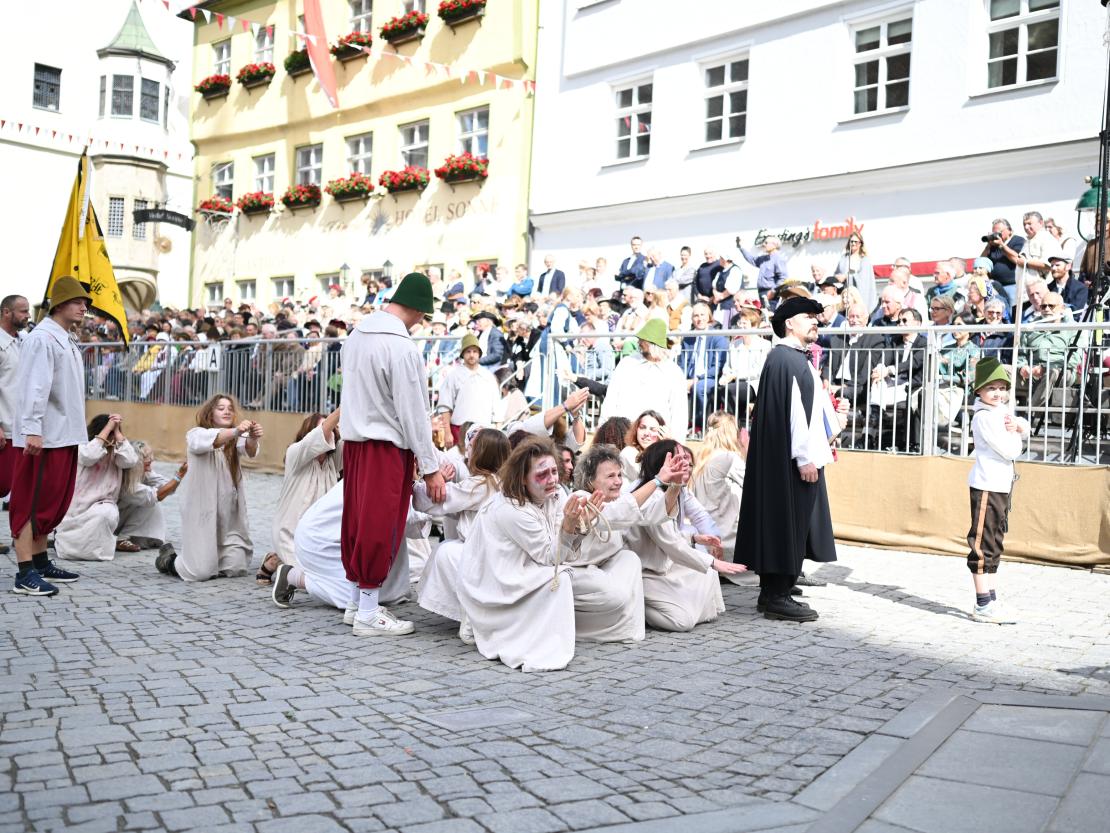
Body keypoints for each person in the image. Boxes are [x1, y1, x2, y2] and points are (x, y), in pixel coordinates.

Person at [339, 272, 445, 636]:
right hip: (385, 446)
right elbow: (414, 412)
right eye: (423, 315)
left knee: (355, 520)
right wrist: (430, 467)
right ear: (416, 309)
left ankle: (356, 601)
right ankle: (368, 611)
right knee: (378, 525)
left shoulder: (355, 337)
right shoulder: (400, 347)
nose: (421, 322)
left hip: (354, 442)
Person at [736, 296, 839, 622]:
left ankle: (773, 591)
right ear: (789, 323)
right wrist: (804, 458)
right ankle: (778, 595)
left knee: (788, 523)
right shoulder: (786, 361)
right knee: (786, 524)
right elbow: (795, 414)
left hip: (793, 459)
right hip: (795, 461)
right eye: (808, 316)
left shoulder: (791, 359)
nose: (815, 321)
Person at [455, 437, 593, 672]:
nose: (551, 480)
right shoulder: (511, 509)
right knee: (560, 580)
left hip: (524, 568)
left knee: (566, 576)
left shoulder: (553, 495)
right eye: (542, 474)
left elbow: (560, 548)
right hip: (499, 581)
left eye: (553, 471)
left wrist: (580, 524)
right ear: (522, 478)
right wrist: (570, 526)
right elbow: (551, 557)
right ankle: (504, 631)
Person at [9, 277, 89, 595]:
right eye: (77, 301)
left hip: (63, 433)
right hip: (44, 435)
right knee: (30, 503)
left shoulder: (65, 339)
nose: (84, 307)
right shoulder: (42, 338)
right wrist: (32, 429)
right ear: (59, 304)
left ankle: (41, 560)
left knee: (50, 502)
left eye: (85, 303)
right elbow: (34, 387)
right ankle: (24, 572)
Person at [624, 440, 746, 631]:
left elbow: (692, 520)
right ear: (662, 464)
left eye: (687, 461)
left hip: (666, 564)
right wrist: (713, 562)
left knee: (707, 578)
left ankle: (681, 601)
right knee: (683, 621)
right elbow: (670, 542)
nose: (686, 464)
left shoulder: (677, 489)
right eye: (680, 459)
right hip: (646, 571)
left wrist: (698, 539)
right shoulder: (648, 492)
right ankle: (639, 603)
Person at [415, 429, 511, 637]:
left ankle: (472, 615)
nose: (468, 450)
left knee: (446, 552)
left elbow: (436, 501)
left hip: (486, 558)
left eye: (473, 447)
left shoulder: (480, 484)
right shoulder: (505, 483)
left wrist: (417, 485)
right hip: (504, 556)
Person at [157, 394, 262, 581]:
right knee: (199, 572)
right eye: (221, 408)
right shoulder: (196, 434)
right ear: (210, 414)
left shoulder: (234, 438)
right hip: (201, 509)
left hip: (228, 511)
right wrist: (237, 431)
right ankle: (169, 560)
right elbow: (214, 439)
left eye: (230, 408)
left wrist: (252, 437)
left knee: (236, 567)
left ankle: (217, 560)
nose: (227, 411)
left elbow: (250, 450)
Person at [271, 481, 415, 615]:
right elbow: (405, 517)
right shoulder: (383, 472)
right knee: (355, 597)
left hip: (337, 533)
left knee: (382, 590)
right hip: (319, 537)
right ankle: (293, 577)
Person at [965, 358, 1029, 624]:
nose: (998, 393)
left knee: (995, 542)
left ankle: (991, 598)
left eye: (1002, 387)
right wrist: (1017, 434)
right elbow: (1011, 449)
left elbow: (1021, 424)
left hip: (1001, 486)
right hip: (987, 486)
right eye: (991, 388)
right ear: (978, 390)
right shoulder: (984, 418)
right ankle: (982, 604)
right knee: (982, 545)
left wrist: (1019, 428)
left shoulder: (999, 412)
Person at [261, 408, 343, 582]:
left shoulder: (332, 461)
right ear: (309, 432)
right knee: (312, 577)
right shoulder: (295, 453)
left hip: (320, 535)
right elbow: (318, 436)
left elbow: (352, 444)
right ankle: (279, 560)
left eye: (333, 429)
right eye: (325, 427)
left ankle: (275, 560)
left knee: (335, 573)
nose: (331, 431)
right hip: (290, 533)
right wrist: (344, 408)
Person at [53, 414, 140, 562]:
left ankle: (93, 551)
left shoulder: (117, 454)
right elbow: (89, 456)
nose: (111, 437)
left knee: (106, 513)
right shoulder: (82, 447)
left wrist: (118, 432)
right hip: (77, 509)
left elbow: (131, 460)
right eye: (109, 433)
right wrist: (108, 428)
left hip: (103, 505)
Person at [598, 319, 689, 441]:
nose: (639, 342)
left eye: (643, 339)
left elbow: (679, 412)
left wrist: (677, 442)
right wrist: (603, 428)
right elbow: (611, 399)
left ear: (653, 343)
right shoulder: (627, 364)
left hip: (656, 438)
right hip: (624, 434)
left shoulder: (673, 372)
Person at [689, 412, 747, 564]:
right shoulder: (729, 458)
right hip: (729, 539)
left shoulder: (699, 458)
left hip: (706, 539)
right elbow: (754, 486)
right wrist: (746, 450)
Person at [115, 440, 186, 551]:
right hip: (114, 519)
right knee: (151, 503)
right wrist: (179, 476)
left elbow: (168, 488)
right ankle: (122, 537)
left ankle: (128, 536)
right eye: (146, 458)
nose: (151, 459)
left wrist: (177, 477)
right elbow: (157, 496)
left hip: (122, 514)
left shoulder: (145, 472)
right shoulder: (125, 481)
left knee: (152, 502)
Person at [0, 294, 29, 555]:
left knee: (11, 486)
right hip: (3, 425)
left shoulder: (24, 342)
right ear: (6, 312)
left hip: (19, 426)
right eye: (22, 311)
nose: (27, 315)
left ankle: (20, 535)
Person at [438, 334, 500, 445]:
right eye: (468, 351)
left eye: (475, 351)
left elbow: (497, 407)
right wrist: (447, 433)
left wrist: (497, 431)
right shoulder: (453, 376)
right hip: (459, 429)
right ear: (463, 354)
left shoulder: (488, 376)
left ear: (479, 354)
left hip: (484, 430)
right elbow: (445, 406)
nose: (472, 355)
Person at [681, 303, 728, 433]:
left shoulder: (718, 337)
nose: (699, 318)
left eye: (702, 315)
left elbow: (717, 366)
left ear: (709, 317)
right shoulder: (688, 338)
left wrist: (697, 379)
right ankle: (681, 425)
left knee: (699, 387)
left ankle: (701, 425)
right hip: (690, 378)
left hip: (710, 377)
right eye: (696, 315)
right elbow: (682, 364)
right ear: (692, 319)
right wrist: (681, 379)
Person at [980, 218, 1026, 308]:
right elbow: (982, 261)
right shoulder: (993, 246)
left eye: (998, 232)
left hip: (1013, 285)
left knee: (1013, 309)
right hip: (996, 286)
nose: (996, 235)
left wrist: (1002, 246)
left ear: (1009, 230)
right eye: (994, 232)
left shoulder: (1018, 240)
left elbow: (1017, 258)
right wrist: (988, 246)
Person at [834, 232, 876, 317]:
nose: (853, 243)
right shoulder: (843, 258)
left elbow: (864, 280)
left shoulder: (864, 260)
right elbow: (837, 273)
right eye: (851, 241)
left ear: (860, 244)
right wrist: (837, 277)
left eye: (856, 242)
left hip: (858, 294)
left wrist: (846, 276)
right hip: (845, 294)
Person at [739, 236, 787, 309]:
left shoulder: (778, 259)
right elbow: (752, 260)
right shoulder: (764, 259)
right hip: (762, 292)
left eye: (766, 243)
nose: (763, 244)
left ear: (774, 245)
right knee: (765, 315)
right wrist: (741, 247)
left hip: (771, 294)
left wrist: (773, 291)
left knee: (771, 316)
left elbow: (783, 278)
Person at [618, 410, 666, 483]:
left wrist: (669, 445)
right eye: (642, 427)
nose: (646, 433)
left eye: (653, 430)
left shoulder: (662, 454)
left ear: (662, 434)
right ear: (636, 430)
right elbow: (650, 480)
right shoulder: (628, 453)